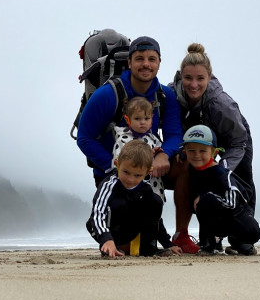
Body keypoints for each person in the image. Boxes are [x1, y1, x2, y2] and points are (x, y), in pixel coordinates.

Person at [169, 43, 257, 255]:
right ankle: (211, 238)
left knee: (237, 184)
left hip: (235, 141)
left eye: (200, 79)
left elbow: (239, 141)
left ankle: (241, 239)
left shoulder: (221, 103)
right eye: (188, 78)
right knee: (200, 187)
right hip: (195, 144)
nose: (193, 84)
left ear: (209, 77)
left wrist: (222, 166)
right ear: (181, 77)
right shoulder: (172, 95)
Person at [77, 36, 183, 188]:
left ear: (159, 63)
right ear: (129, 62)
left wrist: (164, 154)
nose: (146, 64)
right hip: (111, 173)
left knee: (189, 167)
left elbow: (174, 134)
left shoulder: (165, 96)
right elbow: (84, 137)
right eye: (139, 58)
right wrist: (115, 166)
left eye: (152, 59)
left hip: (148, 172)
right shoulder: (107, 95)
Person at [86, 140, 182, 258]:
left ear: (147, 172)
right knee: (118, 203)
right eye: (126, 172)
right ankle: (110, 248)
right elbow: (97, 213)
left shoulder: (145, 188)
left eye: (137, 175)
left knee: (155, 201)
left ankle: (149, 248)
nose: (130, 179)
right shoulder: (109, 185)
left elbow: (156, 219)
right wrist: (106, 238)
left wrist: (167, 244)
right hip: (101, 230)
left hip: (128, 230)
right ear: (117, 164)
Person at [181, 124, 260, 255]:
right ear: (185, 152)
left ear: (214, 152)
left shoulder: (221, 174)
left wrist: (206, 197)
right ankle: (208, 244)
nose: (197, 155)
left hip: (235, 215)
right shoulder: (193, 169)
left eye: (202, 151)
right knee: (204, 202)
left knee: (252, 232)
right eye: (191, 151)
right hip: (215, 215)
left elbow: (232, 203)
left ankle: (238, 241)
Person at [111, 96, 165, 202]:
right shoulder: (122, 139)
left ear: (152, 119)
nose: (142, 122)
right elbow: (116, 164)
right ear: (128, 119)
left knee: (152, 208)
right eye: (137, 118)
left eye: (146, 118)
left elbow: (159, 159)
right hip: (129, 184)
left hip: (151, 186)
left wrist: (157, 155)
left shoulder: (154, 140)